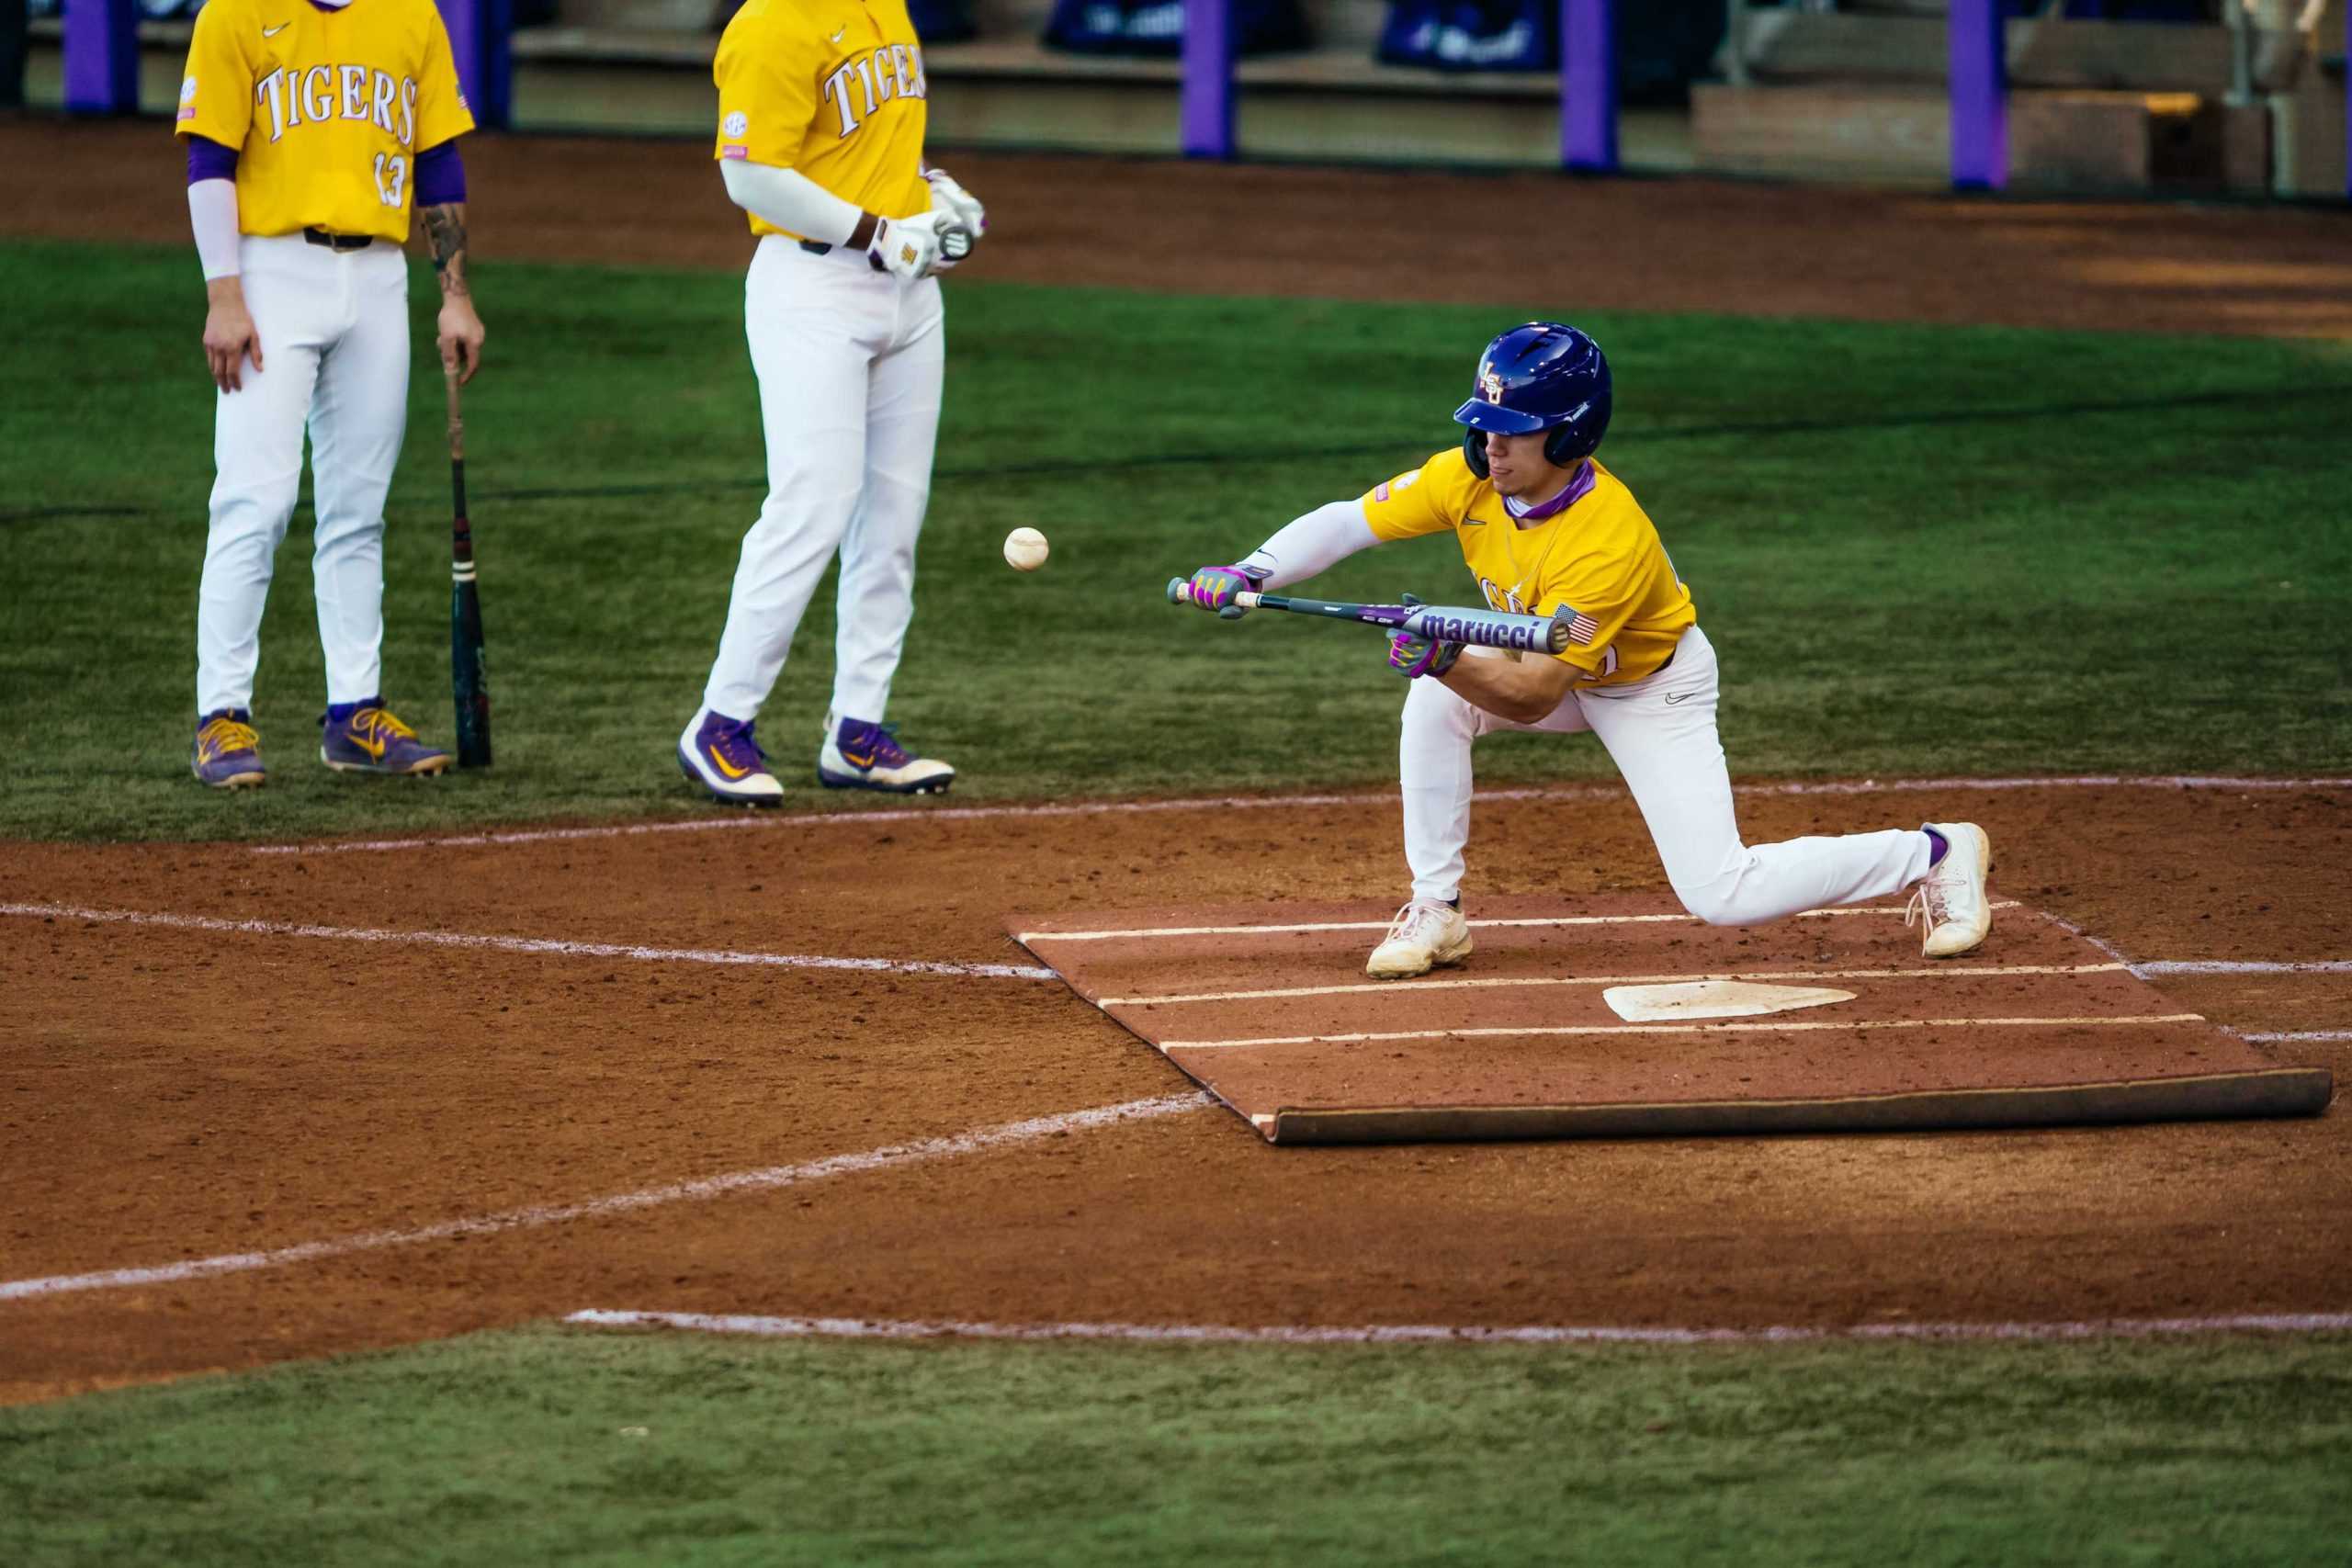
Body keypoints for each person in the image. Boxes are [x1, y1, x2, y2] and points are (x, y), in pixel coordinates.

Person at [1180, 321, 1993, 978]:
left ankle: (1932, 851)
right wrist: (1253, 567)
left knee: (1720, 892)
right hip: (1568, 675)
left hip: (1651, 691)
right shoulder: (1471, 479)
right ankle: (1439, 911)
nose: (1488, 449)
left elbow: (1533, 693)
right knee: (1435, 703)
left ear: (1570, 436)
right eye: (1484, 428)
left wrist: (1444, 655)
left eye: (1511, 434)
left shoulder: (1607, 540)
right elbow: (1350, 520)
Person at [674, 0, 985, 805]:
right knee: (813, 500)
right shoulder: (772, 22)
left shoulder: (888, 9)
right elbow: (750, 173)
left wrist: (932, 192)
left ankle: (858, 728)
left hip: (910, 298)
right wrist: (878, 232)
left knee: (894, 516)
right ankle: (720, 723)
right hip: (812, 286)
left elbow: (868, 149)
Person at [177, 0, 485, 787]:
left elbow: (438, 159)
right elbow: (209, 159)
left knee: (358, 508)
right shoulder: (235, 14)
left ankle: (355, 712)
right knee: (256, 499)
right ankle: (222, 716)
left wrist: (454, 293)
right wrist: (224, 294)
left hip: (377, 277)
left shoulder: (412, 16)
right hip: (272, 271)